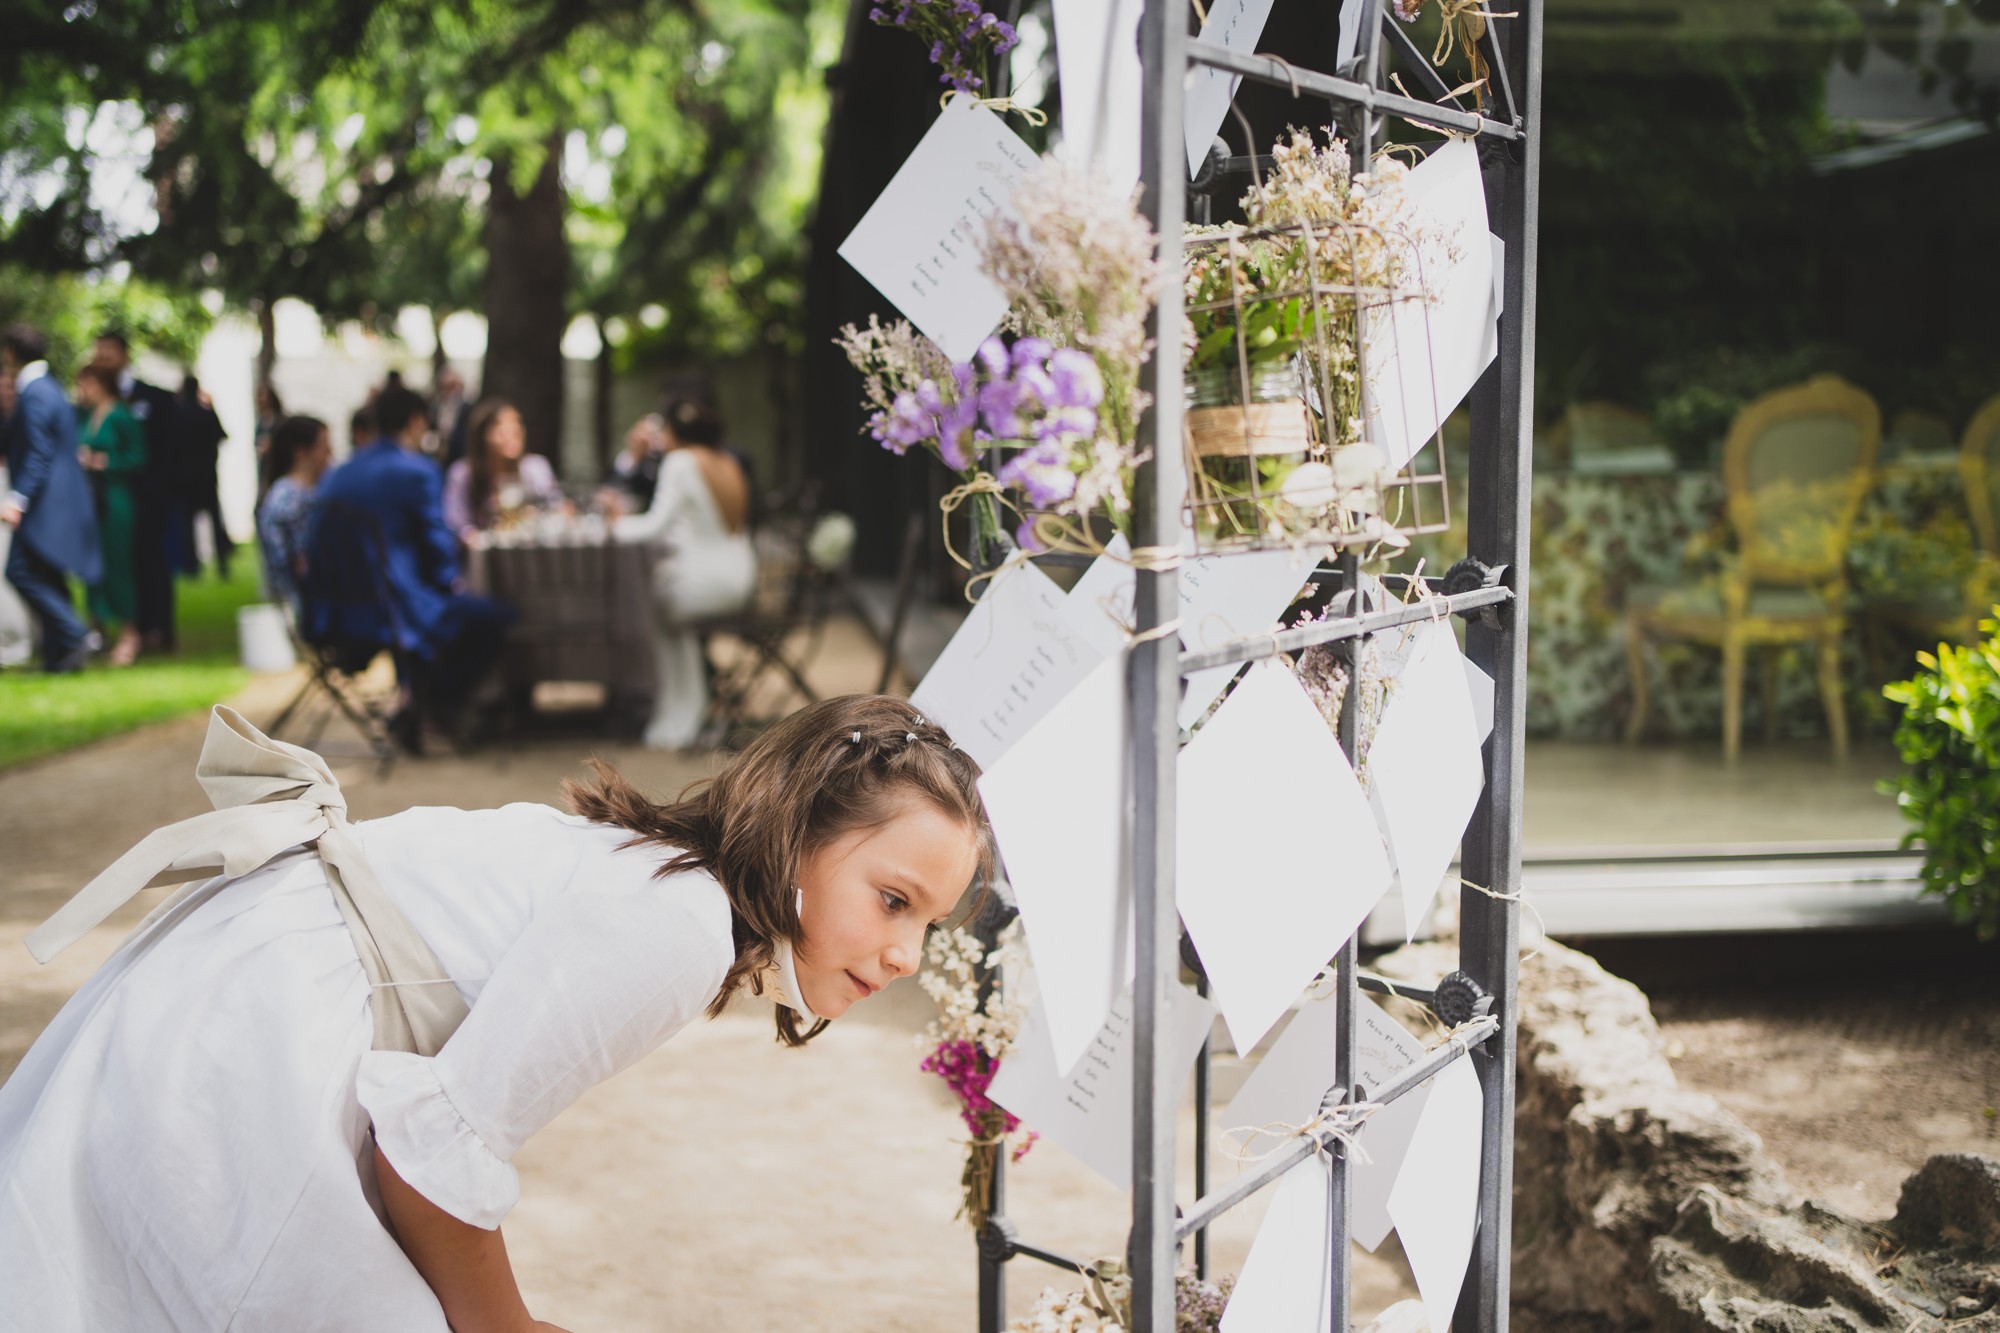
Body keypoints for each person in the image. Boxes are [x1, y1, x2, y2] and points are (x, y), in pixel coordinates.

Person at [0, 694, 987, 1330]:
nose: (905, 953)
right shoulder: (679, 921)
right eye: (892, 898)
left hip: (247, 988)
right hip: (253, 1038)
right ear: (797, 829)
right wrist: (503, 1323)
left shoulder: (666, 885)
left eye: (930, 924)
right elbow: (427, 1151)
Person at [306, 383, 514, 748]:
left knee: (437, 605)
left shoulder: (339, 473)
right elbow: (438, 553)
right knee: (495, 616)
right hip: (392, 613)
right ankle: (436, 702)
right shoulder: (417, 471)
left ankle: (418, 704)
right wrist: (453, 584)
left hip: (331, 613)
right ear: (417, 422)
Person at [615, 386, 758, 749]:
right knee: (670, 618)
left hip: (701, 584)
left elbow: (653, 527)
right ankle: (687, 709)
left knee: (657, 606)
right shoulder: (727, 460)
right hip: (741, 579)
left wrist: (611, 525)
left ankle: (679, 714)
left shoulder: (680, 462)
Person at [3, 325, 103, 673]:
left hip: (47, 503)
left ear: (11, 353)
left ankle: (76, 635)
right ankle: (59, 657)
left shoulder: (35, 393)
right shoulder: (48, 388)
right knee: (45, 572)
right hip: (56, 501)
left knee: (19, 571)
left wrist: (17, 499)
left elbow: (39, 454)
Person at [91, 331, 181, 652]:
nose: (104, 359)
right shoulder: (94, 402)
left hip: (148, 498)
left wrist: (158, 492)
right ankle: (131, 626)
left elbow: (167, 450)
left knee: (152, 560)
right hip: (113, 499)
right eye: (99, 353)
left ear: (125, 355)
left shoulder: (154, 398)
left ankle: (157, 627)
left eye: (109, 352)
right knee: (122, 564)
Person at [74, 364, 148, 667]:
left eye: (87, 384)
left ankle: (129, 633)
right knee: (92, 565)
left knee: (118, 565)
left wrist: (106, 462)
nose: (82, 391)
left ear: (102, 384)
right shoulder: (84, 416)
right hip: (90, 499)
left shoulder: (120, 415)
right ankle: (97, 630)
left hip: (115, 499)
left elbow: (139, 456)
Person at [441, 398, 564, 541]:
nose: (512, 432)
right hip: (483, 557)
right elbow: (455, 523)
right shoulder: (462, 473)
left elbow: (556, 508)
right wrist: (471, 537)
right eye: (501, 426)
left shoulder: (535, 467)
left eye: (516, 423)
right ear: (482, 434)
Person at [255, 414, 332, 616]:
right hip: (303, 611)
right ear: (300, 453)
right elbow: (299, 565)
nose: (329, 453)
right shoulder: (288, 501)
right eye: (323, 445)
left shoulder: (309, 492)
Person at [176, 374, 235, 578]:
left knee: (187, 522)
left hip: (185, 477)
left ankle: (191, 566)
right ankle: (222, 564)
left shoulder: (179, 414)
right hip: (207, 475)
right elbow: (223, 435)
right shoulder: (206, 414)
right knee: (214, 521)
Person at [607, 411, 667, 508]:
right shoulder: (623, 459)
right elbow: (612, 483)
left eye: (650, 435)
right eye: (639, 431)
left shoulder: (656, 463)